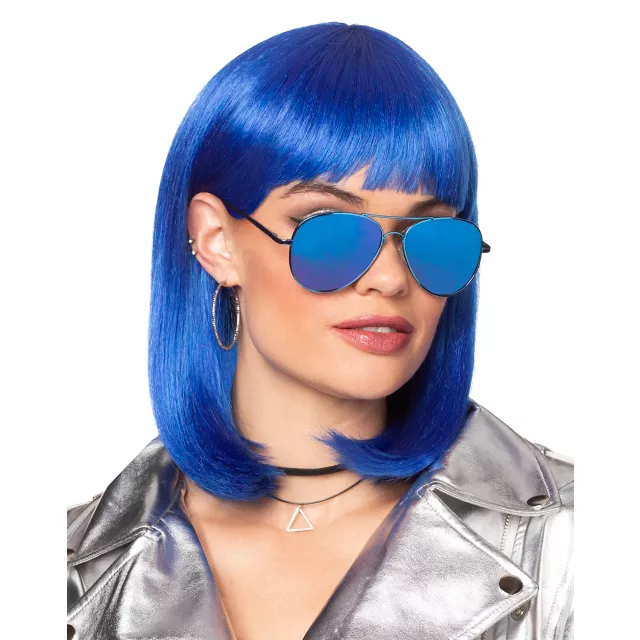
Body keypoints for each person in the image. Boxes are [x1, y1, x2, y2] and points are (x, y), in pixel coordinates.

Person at [66, 22, 574, 640]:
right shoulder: (67, 572)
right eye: (330, 232)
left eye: (433, 237)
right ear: (217, 241)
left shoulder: (577, 544)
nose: (390, 278)